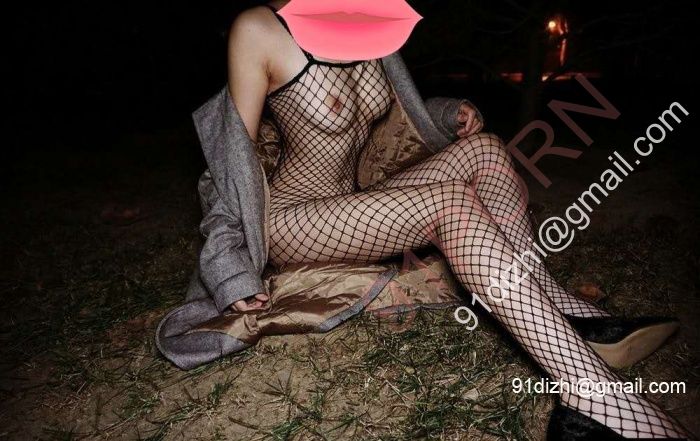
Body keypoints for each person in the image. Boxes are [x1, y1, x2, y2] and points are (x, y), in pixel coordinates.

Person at [195, 1, 691, 439]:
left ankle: (565, 314)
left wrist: (447, 111)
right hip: (291, 219)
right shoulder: (258, 28)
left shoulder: (360, 17)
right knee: (450, 203)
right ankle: (594, 396)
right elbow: (228, 164)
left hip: (352, 203)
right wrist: (228, 266)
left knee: (486, 151)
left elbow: (391, 116)